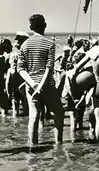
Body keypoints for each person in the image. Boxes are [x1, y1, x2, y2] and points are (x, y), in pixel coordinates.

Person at [17, 14, 64, 150]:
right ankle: (58, 145)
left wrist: (33, 85)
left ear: (31, 27)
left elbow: (20, 69)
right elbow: (49, 69)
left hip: (31, 86)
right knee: (59, 113)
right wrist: (41, 86)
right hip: (47, 86)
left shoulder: (25, 45)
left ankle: (33, 147)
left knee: (34, 117)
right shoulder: (49, 44)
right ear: (45, 25)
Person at [6, 32, 29, 117]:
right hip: (22, 86)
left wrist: (8, 92)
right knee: (25, 104)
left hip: (16, 87)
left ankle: (16, 125)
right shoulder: (22, 53)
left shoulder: (15, 55)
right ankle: (24, 125)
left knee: (16, 107)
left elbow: (8, 82)